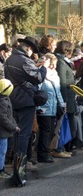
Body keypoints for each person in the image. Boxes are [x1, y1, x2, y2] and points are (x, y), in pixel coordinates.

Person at [4, 36, 47, 164]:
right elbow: (38, 78)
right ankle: (20, 161)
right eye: (32, 50)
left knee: (14, 131)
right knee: (24, 133)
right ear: (28, 48)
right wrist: (43, 68)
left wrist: (34, 65)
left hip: (12, 98)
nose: (32, 53)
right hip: (25, 99)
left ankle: (12, 158)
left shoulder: (10, 58)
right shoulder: (24, 60)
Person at [36, 54, 66, 163]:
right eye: (51, 65)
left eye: (54, 65)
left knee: (51, 131)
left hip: (53, 107)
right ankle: (42, 153)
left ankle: (46, 151)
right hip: (44, 108)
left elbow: (58, 92)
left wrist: (62, 104)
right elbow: (37, 91)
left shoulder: (55, 75)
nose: (53, 67)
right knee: (45, 131)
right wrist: (38, 107)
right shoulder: (41, 75)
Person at [0, 79, 19, 179]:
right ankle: (1, 170)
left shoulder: (5, 99)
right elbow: (3, 118)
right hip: (3, 132)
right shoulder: (3, 101)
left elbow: (9, 116)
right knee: (2, 152)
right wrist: (13, 127)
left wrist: (14, 125)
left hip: (4, 131)